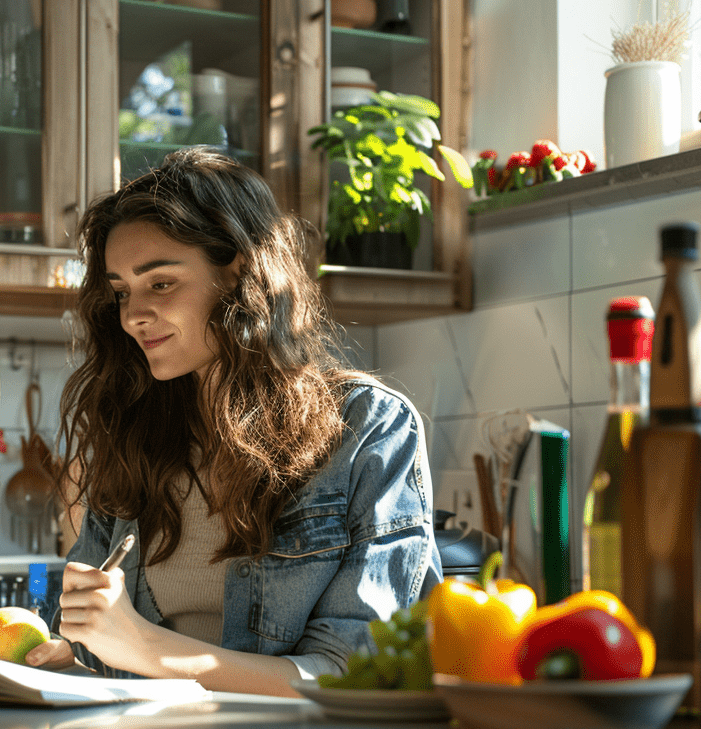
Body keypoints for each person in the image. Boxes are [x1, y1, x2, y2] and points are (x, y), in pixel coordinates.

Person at [25, 147, 442, 697]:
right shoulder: (132, 436)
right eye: (122, 291)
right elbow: (106, 651)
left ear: (239, 271)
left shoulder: (368, 428)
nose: (131, 315)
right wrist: (72, 658)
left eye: (161, 283)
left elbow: (359, 674)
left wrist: (147, 649)